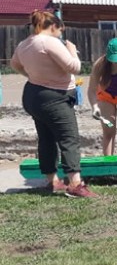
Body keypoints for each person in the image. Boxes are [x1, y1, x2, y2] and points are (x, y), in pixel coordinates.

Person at [10, 10, 96, 198]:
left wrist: (32, 75)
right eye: (60, 29)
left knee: (47, 138)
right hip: (54, 97)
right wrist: (72, 50)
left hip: (34, 94)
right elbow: (74, 67)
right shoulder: (48, 42)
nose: (61, 33)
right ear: (53, 26)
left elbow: (14, 64)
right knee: (68, 137)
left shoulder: (25, 44)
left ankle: (52, 180)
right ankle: (75, 183)